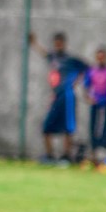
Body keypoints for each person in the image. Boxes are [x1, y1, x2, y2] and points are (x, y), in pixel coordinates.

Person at [30, 31, 86, 163]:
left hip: (67, 96)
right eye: (56, 43)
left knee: (68, 127)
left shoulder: (70, 59)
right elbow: (44, 53)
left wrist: (75, 82)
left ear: (64, 44)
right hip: (56, 96)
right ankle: (49, 155)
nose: (58, 46)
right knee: (47, 126)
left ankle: (67, 155)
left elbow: (86, 69)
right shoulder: (53, 58)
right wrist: (34, 43)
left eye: (60, 43)